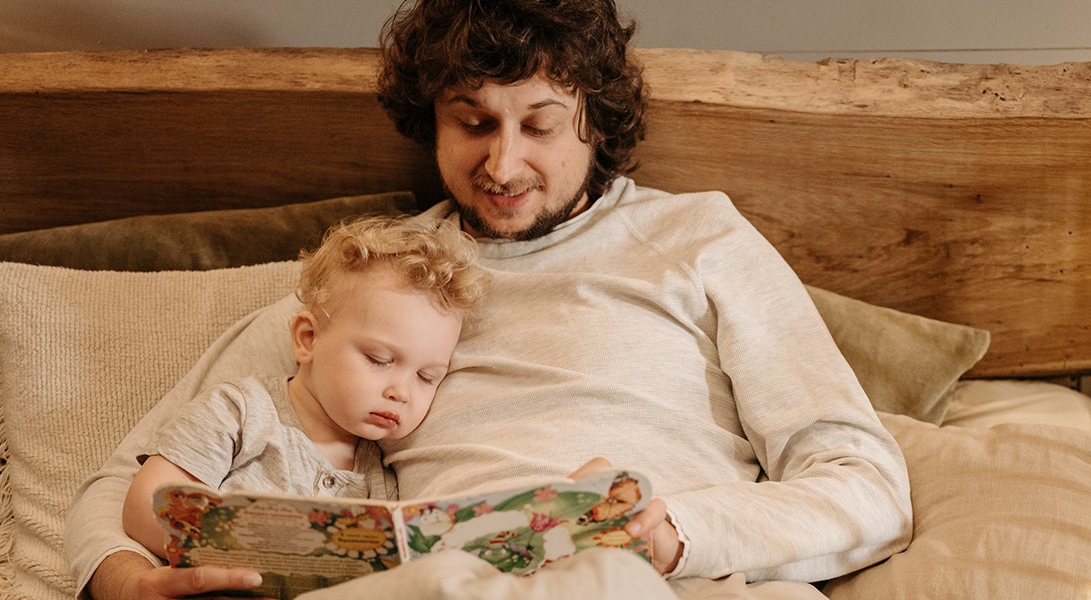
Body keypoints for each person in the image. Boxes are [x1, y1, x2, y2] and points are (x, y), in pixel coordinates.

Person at [66, 1, 913, 598]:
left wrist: (676, 530)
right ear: (431, 122)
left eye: (540, 125)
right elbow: (125, 482)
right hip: (435, 582)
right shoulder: (377, 278)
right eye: (473, 123)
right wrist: (123, 578)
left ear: (596, 121)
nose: (503, 167)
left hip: (656, 580)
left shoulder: (701, 239)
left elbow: (866, 490)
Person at [120, 215, 487, 560]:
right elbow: (147, 508)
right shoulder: (238, 412)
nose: (401, 392)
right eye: (378, 359)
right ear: (308, 339)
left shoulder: (379, 478)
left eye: (427, 377)